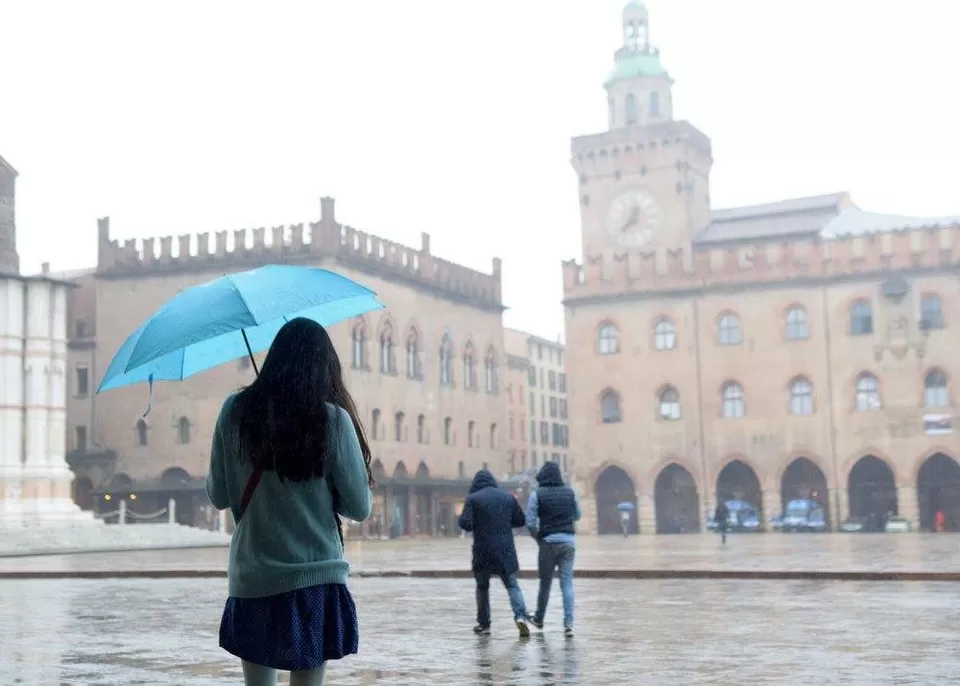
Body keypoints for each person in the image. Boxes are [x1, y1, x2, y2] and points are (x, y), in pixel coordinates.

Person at [206, 317, 374, 686]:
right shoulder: (333, 420)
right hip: (314, 577)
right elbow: (359, 508)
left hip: (254, 577)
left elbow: (218, 495)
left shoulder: (234, 412)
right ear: (325, 366)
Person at [458, 468, 530, 638]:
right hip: (505, 550)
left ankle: (484, 625)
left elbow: (465, 524)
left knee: (482, 587)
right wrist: (503, 523)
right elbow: (521, 520)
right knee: (512, 585)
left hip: (483, 550)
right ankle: (520, 617)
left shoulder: (473, 499)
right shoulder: (507, 497)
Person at [525, 461, 580, 638]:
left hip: (548, 543)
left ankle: (539, 618)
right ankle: (569, 623)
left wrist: (538, 538)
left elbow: (530, 522)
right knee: (567, 584)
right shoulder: (570, 492)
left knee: (545, 583)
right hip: (568, 543)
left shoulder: (537, 494)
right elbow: (578, 514)